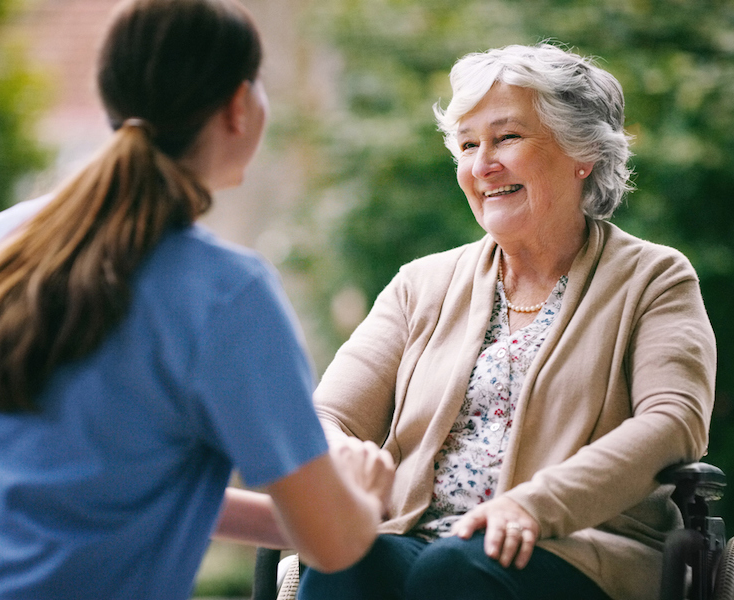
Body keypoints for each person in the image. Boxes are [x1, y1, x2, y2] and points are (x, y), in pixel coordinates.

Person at [0, 1, 394, 599]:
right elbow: (337, 545)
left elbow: (93, 486)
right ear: (238, 106)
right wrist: (365, 499)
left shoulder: (4, 238)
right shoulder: (228, 293)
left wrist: (302, 515)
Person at [296, 43, 716, 600]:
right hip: (416, 537)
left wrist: (534, 505)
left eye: (507, 138)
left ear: (580, 152)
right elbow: (329, 415)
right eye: (468, 145)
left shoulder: (653, 278)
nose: (481, 165)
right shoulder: (420, 283)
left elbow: (674, 422)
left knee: (455, 571)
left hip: (578, 548)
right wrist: (343, 454)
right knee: (344, 562)